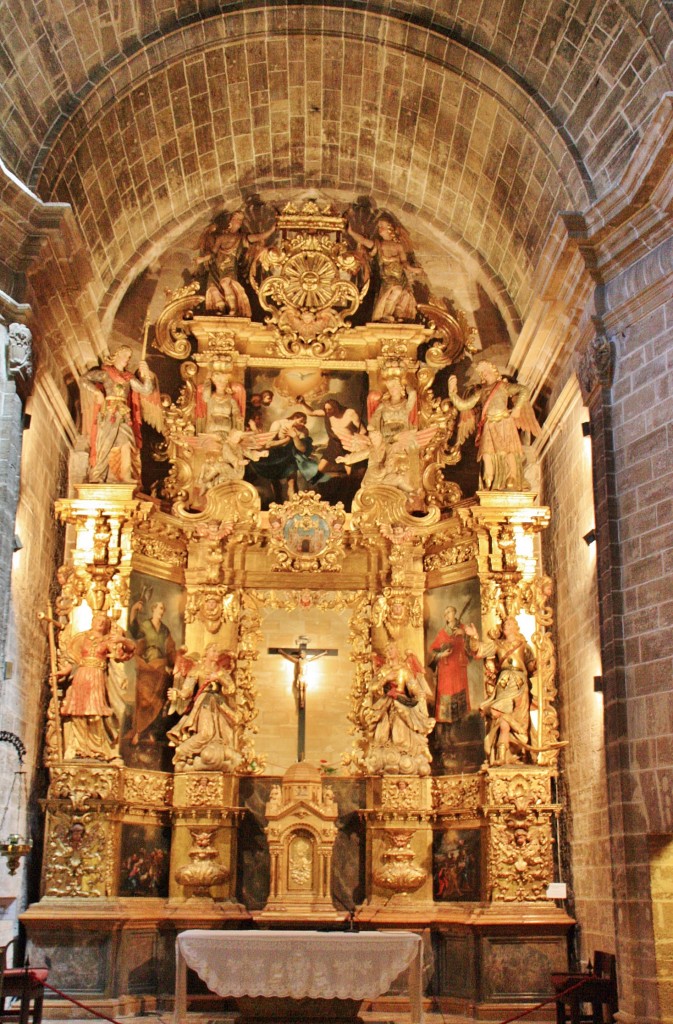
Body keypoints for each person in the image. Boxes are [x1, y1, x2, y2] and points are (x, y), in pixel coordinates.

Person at [447, 360, 540, 491]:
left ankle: (512, 477)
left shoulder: (503, 386)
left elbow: (524, 390)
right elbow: (464, 405)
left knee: (509, 451)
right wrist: (452, 393)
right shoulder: (481, 392)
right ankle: (488, 480)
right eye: (482, 373)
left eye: (486, 371)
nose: (485, 374)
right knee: (486, 453)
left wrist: (517, 408)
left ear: (493, 371)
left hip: (504, 422)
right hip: (489, 424)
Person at [80, 345, 162, 485]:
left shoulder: (128, 378)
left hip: (124, 413)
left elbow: (146, 390)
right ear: (116, 355)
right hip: (109, 411)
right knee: (106, 442)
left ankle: (125, 474)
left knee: (127, 440)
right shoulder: (106, 373)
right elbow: (84, 379)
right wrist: (97, 392)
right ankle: (97, 475)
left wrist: (146, 374)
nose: (127, 359)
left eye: (129, 357)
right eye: (124, 355)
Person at [60, 613, 135, 761]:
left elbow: (126, 652)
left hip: (97, 676)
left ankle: (98, 749)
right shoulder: (82, 638)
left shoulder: (107, 640)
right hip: (81, 675)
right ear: (92, 621)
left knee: (95, 714)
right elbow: (75, 660)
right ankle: (81, 748)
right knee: (78, 713)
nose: (100, 623)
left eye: (103, 621)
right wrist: (64, 671)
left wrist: (122, 639)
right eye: (98, 620)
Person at [463, 617, 536, 765]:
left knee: (510, 719)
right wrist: (474, 637)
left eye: (509, 624)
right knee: (498, 710)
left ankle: (506, 753)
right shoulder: (498, 645)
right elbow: (480, 649)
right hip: (504, 683)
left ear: (516, 627)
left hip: (520, 682)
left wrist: (538, 661)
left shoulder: (524, 646)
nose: (506, 626)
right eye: (504, 624)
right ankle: (501, 753)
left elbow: (531, 667)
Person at [166, 644, 241, 772]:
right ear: (206, 653)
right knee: (206, 733)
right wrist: (178, 694)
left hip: (219, 705)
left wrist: (219, 678)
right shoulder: (197, 670)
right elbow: (187, 691)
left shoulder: (221, 671)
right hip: (204, 703)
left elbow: (231, 689)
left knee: (227, 735)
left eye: (218, 651)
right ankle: (183, 750)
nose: (217, 653)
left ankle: (214, 756)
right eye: (214, 650)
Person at [365, 642, 435, 776]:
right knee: (380, 737)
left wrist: (419, 695)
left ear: (397, 651)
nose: (389, 651)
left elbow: (414, 688)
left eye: (391, 648)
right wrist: (385, 679)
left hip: (401, 704)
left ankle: (404, 761)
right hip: (385, 705)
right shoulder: (383, 670)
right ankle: (385, 760)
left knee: (400, 738)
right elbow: (372, 688)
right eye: (386, 649)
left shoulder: (404, 670)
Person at [197, 209, 274, 316]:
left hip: (230, 265)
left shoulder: (241, 237)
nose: (239, 222)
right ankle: (221, 309)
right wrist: (202, 259)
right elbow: (213, 253)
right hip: (216, 267)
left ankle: (233, 309)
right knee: (213, 290)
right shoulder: (220, 237)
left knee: (225, 283)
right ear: (230, 222)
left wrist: (271, 231)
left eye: (241, 220)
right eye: (237, 219)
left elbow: (257, 237)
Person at [348, 216, 423, 322]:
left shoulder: (398, 246)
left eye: (381, 226)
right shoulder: (379, 245)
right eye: (379, 227)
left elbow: (404, 263)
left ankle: (395, 314)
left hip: (400, 276)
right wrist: (351, 232)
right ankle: (386, 314)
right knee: (396, 289)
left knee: (401, 293)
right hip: (387, 276)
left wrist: (414, 270)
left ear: (389, 228)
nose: (379, 229)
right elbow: (363, 241)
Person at [127, 599, 176, 746]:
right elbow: (134, 631)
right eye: (159, 608)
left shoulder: (165, 630)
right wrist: (134, 610)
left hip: (160, 668)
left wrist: (172, 665)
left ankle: (149, 732)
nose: (161, 611)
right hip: (146, 667)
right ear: (153, 609)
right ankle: (139, 731)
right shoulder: (145, 625)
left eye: (163, 609)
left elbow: (170, 649)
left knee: (157, 702)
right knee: (143, 700)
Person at [429, 605, 471, 725]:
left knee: (459, 689)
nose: (447, 615)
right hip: (446, 667)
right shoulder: (442, 632)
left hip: (458, 665)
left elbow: (473, 646)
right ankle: (445, 720)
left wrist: (463, 634)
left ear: (455, 613)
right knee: (446, 691)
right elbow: (433, 650)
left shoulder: (463, 628)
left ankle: (460, 719)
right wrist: (441, 654)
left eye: (449, 612)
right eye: (445, 613)